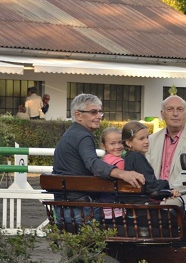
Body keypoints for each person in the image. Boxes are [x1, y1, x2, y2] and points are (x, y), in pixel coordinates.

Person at [51, 94, 144, 222]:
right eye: (93, 112)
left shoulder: (70, 134)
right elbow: (93, 163)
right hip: (82, 209)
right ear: (78, 115)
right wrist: (122, 174)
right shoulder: (83, 136)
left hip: (64, 207)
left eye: (100, 112)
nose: (99, 116)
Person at [147, 95, 186, 195]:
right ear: (162, 114)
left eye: (180, 109)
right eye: (170, 109)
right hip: (153, 194)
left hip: (183, 195)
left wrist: (169, 191)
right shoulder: (152, 139)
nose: (175, 114)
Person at [122, 121, 170, 194]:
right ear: (128, 143)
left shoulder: (128, 156)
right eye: (141, 139)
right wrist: (166, 184)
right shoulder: (137, 157)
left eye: (147, 137)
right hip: (142, 202)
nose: (147, 141)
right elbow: (151, 185)